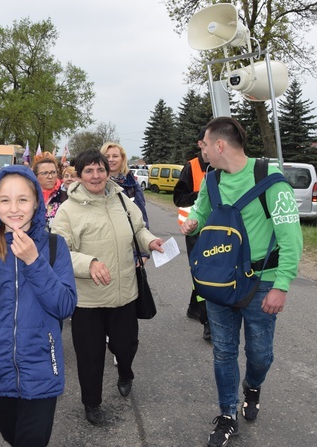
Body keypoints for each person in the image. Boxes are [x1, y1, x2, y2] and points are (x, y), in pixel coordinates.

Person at [180, 117, 303, 447]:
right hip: (220, 281)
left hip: (262, 284)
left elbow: (291, 239)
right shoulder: (212, 179)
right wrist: (193, 222)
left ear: (219, 145)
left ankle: (253, 385)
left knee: (260, 355)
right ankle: (227, 415)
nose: (201, 149)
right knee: (223, 352)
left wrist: (282, 285)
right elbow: (203, 212)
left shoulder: (271, 182)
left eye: (204, 144)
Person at [0, 165, 77, 447]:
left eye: (22, 199)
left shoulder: (54, 246)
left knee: (31, 440)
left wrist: (34, 262)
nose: (14, 208)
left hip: (41, 370)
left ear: (36, 202)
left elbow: (65, 306)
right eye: (5, 200)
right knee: (12, 435)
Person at [50, 150, 164, 426]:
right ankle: (92, 403)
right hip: (87, 300)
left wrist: (150, 241)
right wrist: (89, 264)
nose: (96, 176)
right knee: (90, 357)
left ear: (108, 171)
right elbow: (60, 252)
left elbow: (139, 228)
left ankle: (125, 371)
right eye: (88, 171)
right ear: (78, 174)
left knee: (126, 346)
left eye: (100, 169)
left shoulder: (121, 199)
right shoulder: (67, 210)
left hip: (124, 293)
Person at [173, 127, 212, 340]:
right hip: (194, 231)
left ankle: (193, 308)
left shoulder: (223, 165)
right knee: (200, 275)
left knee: (204, 275)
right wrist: (204, 195)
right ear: (201, 144)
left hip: (218, 231)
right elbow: (178, 198)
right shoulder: (192, 167)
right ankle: (208, 323)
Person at [100, 142, 149, 228]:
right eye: (107, 156)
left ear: (122, 159)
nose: (111, 159)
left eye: (115, 156)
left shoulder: (133, 185)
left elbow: (141, 217)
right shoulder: (94, 184)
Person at [32, 153, 67, 230]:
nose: (50, 177)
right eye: (45, 173)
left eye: (53, 172)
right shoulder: (29, 198)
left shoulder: (65, 198)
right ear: (35, 176)